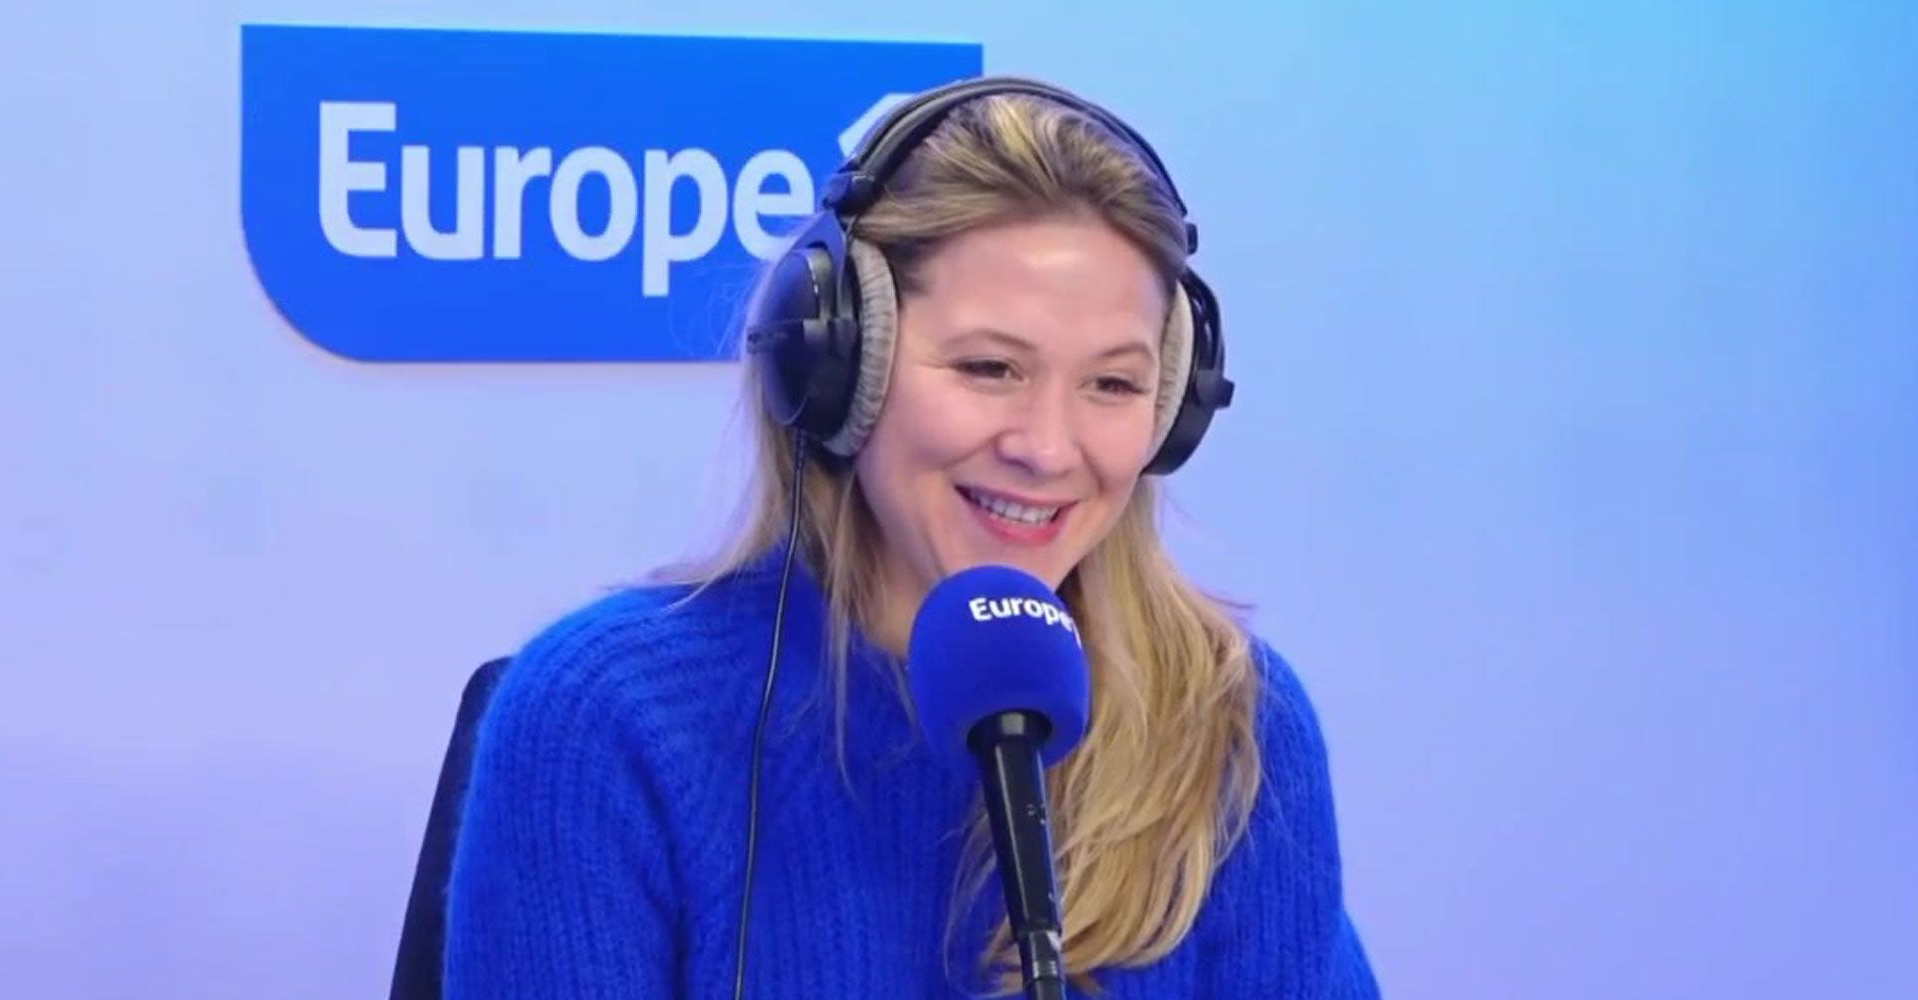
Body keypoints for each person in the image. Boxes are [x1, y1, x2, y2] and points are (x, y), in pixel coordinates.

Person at [442, 76, 1380, 999]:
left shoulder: (1225, 721)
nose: (1048, 449)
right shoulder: (609, 723)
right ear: (841, 363)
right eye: (989, 367)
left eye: (1113, 384)